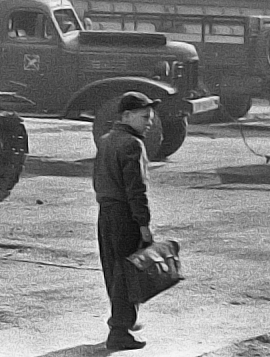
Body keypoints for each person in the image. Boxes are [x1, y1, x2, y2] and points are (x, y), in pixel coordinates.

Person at [93, 91, 158, 351]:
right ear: (127, 116)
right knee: (128, 274)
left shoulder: (107, 140)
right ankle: (120, 331)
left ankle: (121, 323)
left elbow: (97, 180)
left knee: (114, 271)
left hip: (106, 213)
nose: (149, 122)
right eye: (145, 117)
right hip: (125, 216)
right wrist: (144, 224)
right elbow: (136, 189)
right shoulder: (133, 144)